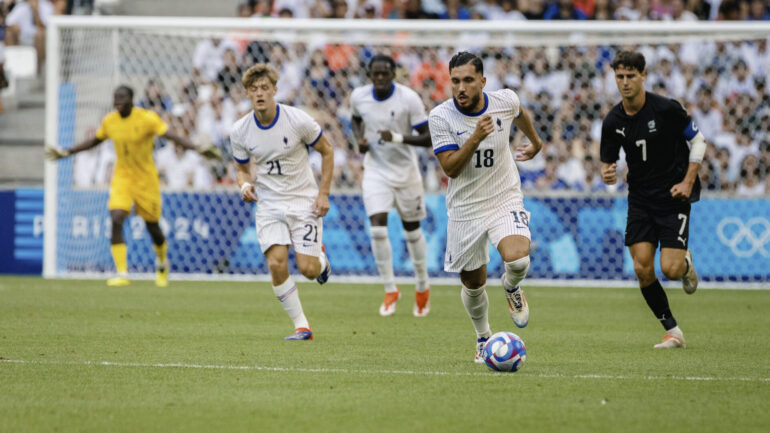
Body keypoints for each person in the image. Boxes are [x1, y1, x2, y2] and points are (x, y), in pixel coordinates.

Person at [428, 51, 545, 364]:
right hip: (465, 208)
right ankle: (483, 337)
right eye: (455, 81)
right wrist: (476, 136)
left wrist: (535, 141)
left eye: (468, 80)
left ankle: (511, 287)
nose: (461, 88)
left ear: (483, 80)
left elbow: (519, 112)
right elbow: (450, 168)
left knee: (518, 259)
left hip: (503, 195)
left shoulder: (504, 100)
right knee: (474, 283)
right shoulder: (440, 117)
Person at [45, 85, 221, 287]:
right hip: (122, 177)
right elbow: (95, 141)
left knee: (152, 226)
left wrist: (197, 148)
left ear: (131, 99)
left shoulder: (147, 119)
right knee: (116, 217)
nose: (117, 102)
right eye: (115, 98)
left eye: (121, 98)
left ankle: (162, 262)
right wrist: (67, 152)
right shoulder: (110, 121)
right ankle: (122, 272)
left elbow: (171, 136)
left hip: (146, 180)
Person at [600, 50, 703, 349]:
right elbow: (608, 166)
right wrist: (608, 175)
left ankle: (684, 262)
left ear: (643, 76)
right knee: (642, 268)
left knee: (670, 270)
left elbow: (698, 141)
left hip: (673, 196)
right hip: (641, 200)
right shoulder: (613, 121)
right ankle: (673, 330)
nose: (625, 82)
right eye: (620, 76)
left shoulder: (666, 109)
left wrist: (687, 181)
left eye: (631, 76)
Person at [230, 63, 333, 341]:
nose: (259, 93)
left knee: (309, 270)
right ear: (247, 94)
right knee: (276, 264)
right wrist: (245, 184)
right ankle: (302, 326)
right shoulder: (240, 130)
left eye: (265, 88)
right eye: (253, 89)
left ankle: (321, 260)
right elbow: (241, 169)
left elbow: (327, 150)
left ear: (275, 90)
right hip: (269, 203)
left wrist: (323, 193)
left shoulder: (297, 120)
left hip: (303, 201)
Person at [350, 54, 433, 317]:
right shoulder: (359, 97)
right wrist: (359, 140)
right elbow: (356, 119)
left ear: (394, 74)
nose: (381, 78)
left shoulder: (408, 99)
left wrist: (396, 137)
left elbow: (428, 137)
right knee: (377, 227)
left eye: (386, 73)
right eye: (376, 74)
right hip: (376, 170)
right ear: (369, 75)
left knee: (411, 230)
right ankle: (390, 288)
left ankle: (422, 285)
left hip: (406, 171)